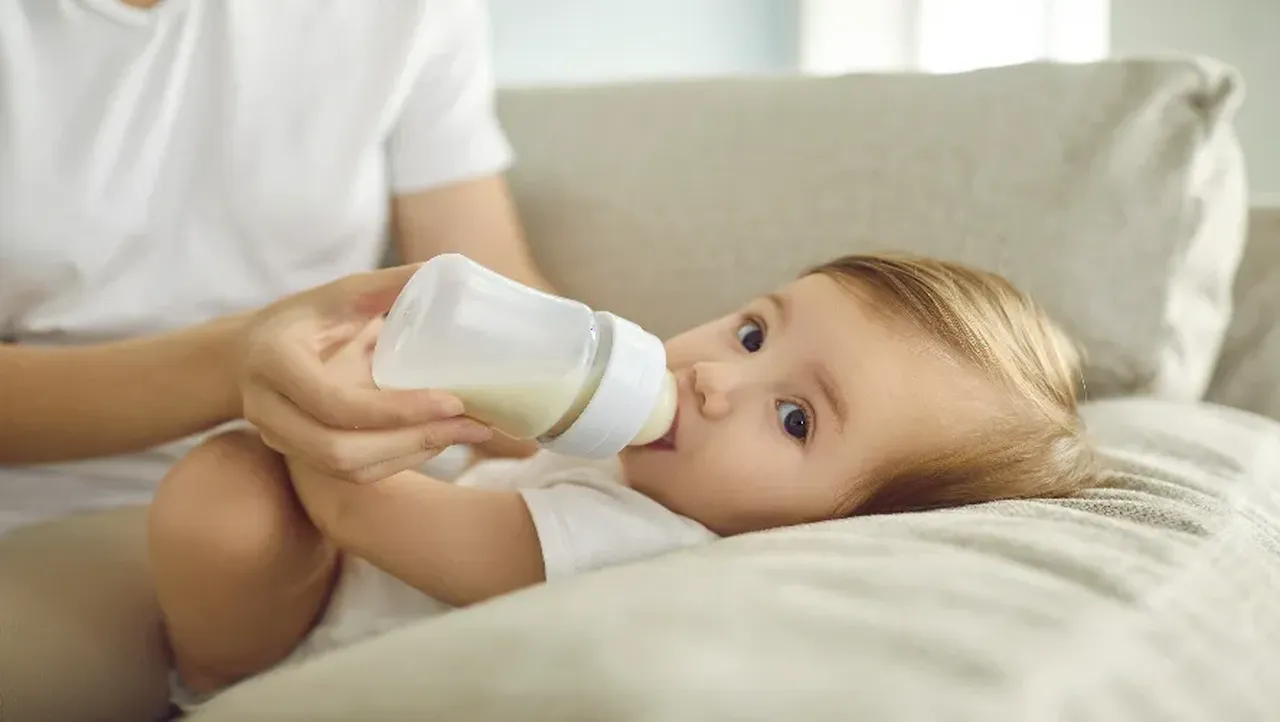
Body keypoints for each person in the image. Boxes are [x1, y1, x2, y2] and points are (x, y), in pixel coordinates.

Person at [149, 252, 1102, 712]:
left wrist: (352, 400)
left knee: (226, 490)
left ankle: (219, 686)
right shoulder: (651, 462)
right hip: (335, 570)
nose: (717, 380)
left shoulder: (644, 548)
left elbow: (363, 504)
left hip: (317, 652)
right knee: (239, 480)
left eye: (797, 418)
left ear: (845, 527)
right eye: (754, 333)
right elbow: (503, 458)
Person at [0, 0, 545, 535]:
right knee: (233, 520)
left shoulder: (404, 12)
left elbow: (494, 304)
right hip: (69, 500)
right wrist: (234, 367)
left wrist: (601, 412)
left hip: (381, 472)